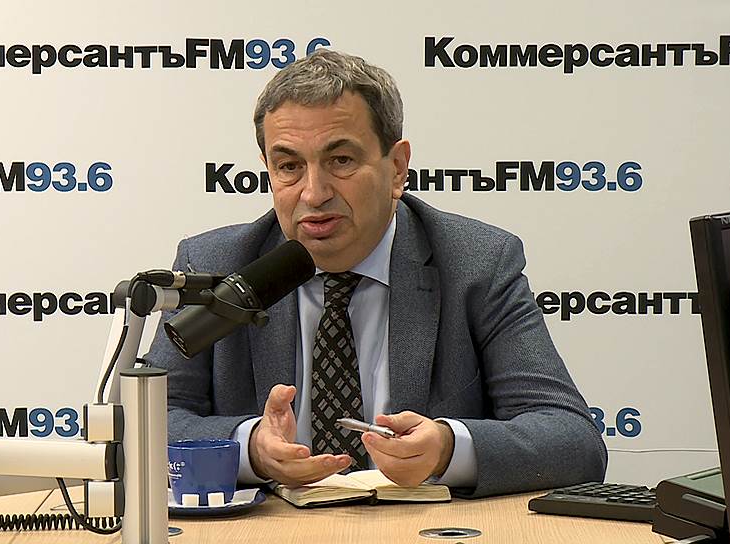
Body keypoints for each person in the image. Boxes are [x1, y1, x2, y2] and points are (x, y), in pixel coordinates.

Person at [145, 49, 606, 498]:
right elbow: (144, 423)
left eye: (341, 161)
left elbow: (573, 440)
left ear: (398, 168)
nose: (314, 193)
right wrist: (250, 449)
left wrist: (447, 448)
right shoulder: (219, 263)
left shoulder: (476, 263)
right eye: (289, 167)